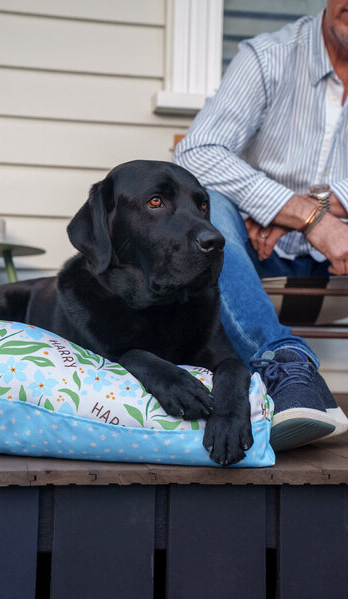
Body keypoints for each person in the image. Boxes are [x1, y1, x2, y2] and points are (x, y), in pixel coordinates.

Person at [174, 0, 348, 452]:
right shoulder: (268, 56)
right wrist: (303, 215)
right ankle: (284, 365)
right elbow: (197, 153)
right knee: (210, 209)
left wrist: (322, 210)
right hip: (250, 264)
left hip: (339, 261)